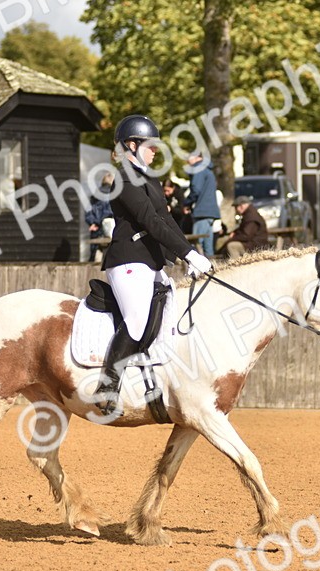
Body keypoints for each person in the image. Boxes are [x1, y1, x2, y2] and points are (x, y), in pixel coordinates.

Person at [95, 114, 214, 415]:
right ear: (131, 145)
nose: (155, 150)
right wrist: (188, 254)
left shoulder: (149, 177)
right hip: (127, 260)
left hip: (151, 261)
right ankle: (106, 386)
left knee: (172, 313)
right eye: (150, 145)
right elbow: (148, 220)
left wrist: (191, 252)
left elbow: (166, 220)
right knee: (136, 319)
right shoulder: (123, 178)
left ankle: (155, 382)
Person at [184, 151, 220, 257]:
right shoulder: (208, 170)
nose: (187, 161)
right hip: (210, 213)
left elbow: (196, 190)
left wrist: (186, 203)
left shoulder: (198, 169)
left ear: (195, 157)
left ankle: (200, 272)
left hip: (202, 213)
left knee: (196, 244)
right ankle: (213, 270)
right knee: (208, 248)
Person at [85, 173, 114, 262]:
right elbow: (109, 212)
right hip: (109, 230)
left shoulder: (94, 196)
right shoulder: (113, 195)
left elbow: (88, 213)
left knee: (95, 257)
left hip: (95, 230)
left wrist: (93, 223)